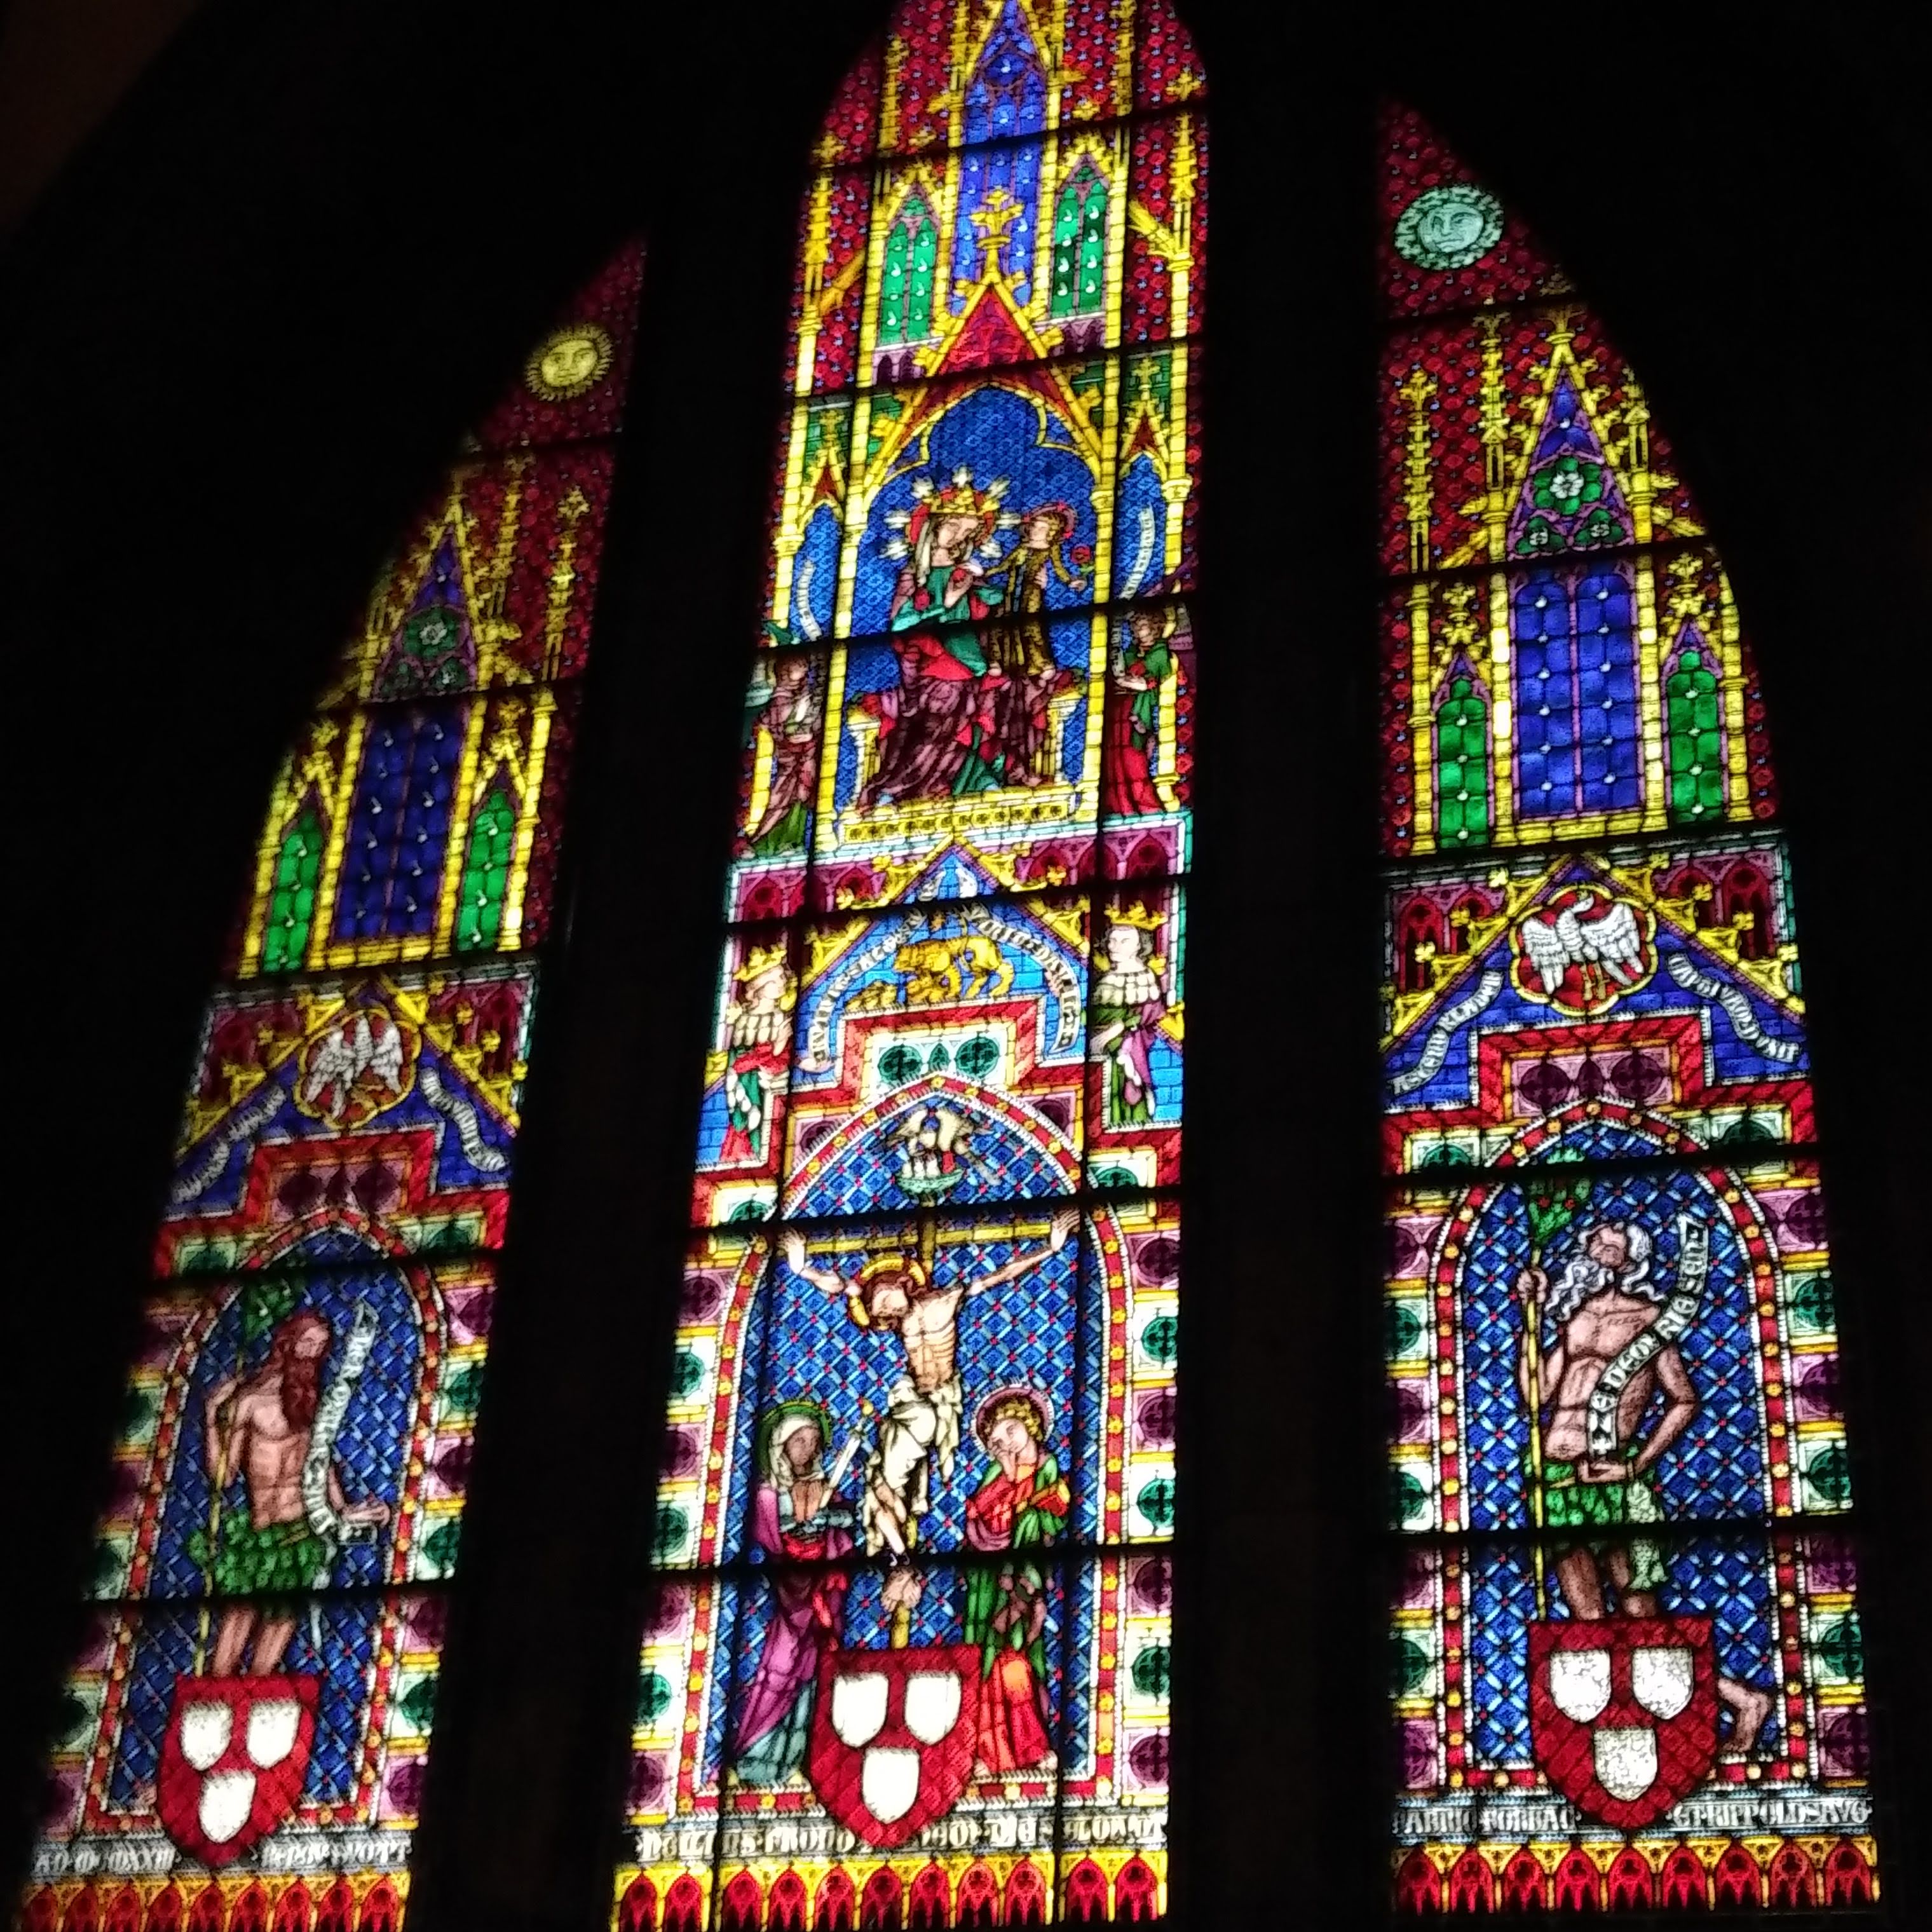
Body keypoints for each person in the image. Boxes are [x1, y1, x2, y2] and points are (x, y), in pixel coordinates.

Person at [1518, 1218, 1773, 1755]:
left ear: (1633, 1255)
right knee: (1587, 1620)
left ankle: (1740, 1699)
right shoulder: (1575, 1317)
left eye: (1612, 1237)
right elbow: (1537, 1394)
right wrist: (1530, 1317)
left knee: (1641, 1614)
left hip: (1611, 1478)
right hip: (1558, 1479)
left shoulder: (1651, 1320)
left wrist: (1636, 1467)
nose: (1599, 1241)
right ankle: (1622, 1734)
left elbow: (1684, 1399)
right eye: (1594, 1238)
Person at [781, 1211, 1077, 1559]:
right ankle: (899, 1549)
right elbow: (840, 1285)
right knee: (883, 1481)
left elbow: (1002, 1274)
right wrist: (801, 1267)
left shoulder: (946, 1300)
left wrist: (1050, 1248)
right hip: (914, 1404)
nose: (883, 1313)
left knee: (887, 1479)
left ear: (902, 1283)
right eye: (879, 1309)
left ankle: (899, 1550)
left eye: (884, 1300)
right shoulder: (897, 1320)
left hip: (935, 1405)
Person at [197, 1311, 389, 1677]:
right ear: (287, 1344)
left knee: (276, 1637)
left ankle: (261, 1705)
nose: (314, 1353)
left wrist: (343, 1509)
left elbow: (321, 1460)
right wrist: (210, 1417)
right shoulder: (250, 1401)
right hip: (258, 1537)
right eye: (308, 1342)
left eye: (321, 1346)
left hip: (301, 1533)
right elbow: (224, 1478)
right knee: (236, 1625)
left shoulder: (314, 1402)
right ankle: (210, 1704)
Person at [862, 473, 1011, 804]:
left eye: (969, 532)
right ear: (933, 527)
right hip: (930, 667)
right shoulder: (913, 578)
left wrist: (984, 588)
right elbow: (901, 623)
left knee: (958, 727)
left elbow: (992, 609)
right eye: (954, 526)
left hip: (967, 664)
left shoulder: (966, 576)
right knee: (931, 728)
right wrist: (946, 604)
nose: (960, 537)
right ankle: (903, 786)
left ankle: (971, 778)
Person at [734, 1402, 854, 1785]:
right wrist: (802, 1524)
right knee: (780, 1667)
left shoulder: (823, 1488)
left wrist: (826, 1518)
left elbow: (845, 1524)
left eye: (814, 1442)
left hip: (822, 1594)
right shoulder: (768, 1494)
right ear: (780, 1445)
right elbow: (771, 1532)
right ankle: (759, 1754)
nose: (808, 1449)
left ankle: (806, 1758)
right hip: (789, 1596)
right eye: (799, 1440)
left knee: (816, 1671)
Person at [963, 1387, 1068, 1772]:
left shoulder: (1047, 1467)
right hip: (988, 1584)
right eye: (996, 1439)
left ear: (1030, 1425)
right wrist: (1006, 1479)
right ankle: (987, 1751)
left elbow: (1050, 1516)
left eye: (1011, 1430)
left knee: (1021, 1661)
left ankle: (1031, 1746)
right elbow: (979, 1518)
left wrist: (1021, 1504)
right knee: (987, 1661)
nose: (1005, 1442)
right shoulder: (995, 1472)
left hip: (1025, 1579)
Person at [979, 502, 1084, 787]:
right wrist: (986, 574)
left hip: (1033, 597)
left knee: (1033, 630)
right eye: (1036, 525)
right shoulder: (1021, 550)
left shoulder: (1049, 552)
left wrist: (1070, 582)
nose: (1037, 529)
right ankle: (1002, 660)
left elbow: (1060, 571)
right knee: (1003, 627)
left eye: (1044, 527)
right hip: (1013, 599)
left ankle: (1041, 661)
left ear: (1052, 533)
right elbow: (1003, 566)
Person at [1089, 905, 1169, 1128]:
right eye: (1112, 940)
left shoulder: (1147, 979)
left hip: (1129, 1048)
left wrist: (1117, 1029)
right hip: (1099, 1052)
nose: (1114, 946)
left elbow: (1148, 1017)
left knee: (1128, 1087)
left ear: (1139, 945)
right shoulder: (1104, 978)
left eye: (1124, 941)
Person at [718, 944, 793, 1164]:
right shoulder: (743, 1020)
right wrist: (778, 1046)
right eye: (774, 980)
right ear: (759, 987)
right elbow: (740, 1061)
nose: (782, 983)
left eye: (782, 977)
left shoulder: (783, 1016)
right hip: (749, 1090)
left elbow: (786, 1058)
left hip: (776, 1089)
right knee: (753, 1135)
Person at [741, 655, 822, 855]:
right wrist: (802, 710)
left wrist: (810, 732)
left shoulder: (800, 694)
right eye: (798, 666)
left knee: (799, 800)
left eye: (804, 667)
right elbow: (787, 731)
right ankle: (763, 842)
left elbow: (808, 725)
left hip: (803, 758)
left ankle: (792, 842)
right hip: (788, 760)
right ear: (785, 671)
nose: (804, 669)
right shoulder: (780, 699)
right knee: (780, 800)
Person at [1103, 606, 1178, 817]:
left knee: (1135, 758)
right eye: (1135, 626)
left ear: (1155, 627)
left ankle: (1144, 804)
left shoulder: (1160, 653)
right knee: (1115, 756)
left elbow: (1148, 683)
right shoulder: (1131, 652)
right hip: (1121, 710)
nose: (1137, 630)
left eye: (1142, 625)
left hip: (1143, 711)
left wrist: (1124, 681)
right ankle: (1118, 804)